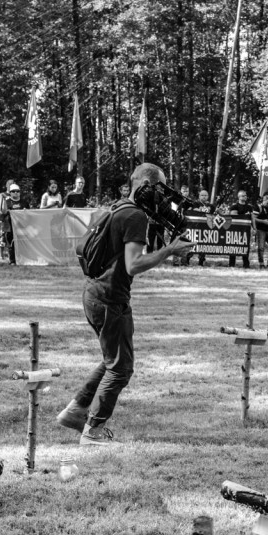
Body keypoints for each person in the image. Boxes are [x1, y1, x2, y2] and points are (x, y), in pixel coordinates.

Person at [56, 163, 194, 445]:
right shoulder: (135, 216)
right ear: (145, 184)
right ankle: (92, 430)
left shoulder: (118, 207)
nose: (164, 199)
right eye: (160, 190)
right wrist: (169, 250)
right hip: (109, 299)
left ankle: (74, 412)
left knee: (113, 360)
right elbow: (133, 265)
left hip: (96, 294)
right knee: (120, 369)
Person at [227, 190, 254, 269]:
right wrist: (244, 216)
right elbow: (234, 217)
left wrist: (254, 228)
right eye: (243, 195)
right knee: (233, 246)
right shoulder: (234, 206)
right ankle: (232, 264)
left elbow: (252, 218)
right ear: (239, 197)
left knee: (245, 246)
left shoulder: (249, 207)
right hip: (234, 230)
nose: (245, 197)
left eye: (245, 195)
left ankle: (246, 264)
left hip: (246, 231)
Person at [1, 182, 24, 265]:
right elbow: (3, 213)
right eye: (13, 191)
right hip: (9, 226)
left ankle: (23, 259)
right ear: (10, 193)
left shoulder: (24, 202)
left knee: (22, 243)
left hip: (22, 226)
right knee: (11, 244)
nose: (16, 193)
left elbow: (29, 213)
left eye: (17, 191)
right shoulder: (6, 202)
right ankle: (12, 261)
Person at [254, 193, 268, 268]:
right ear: (263, 200)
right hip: (261, 230)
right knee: (261, 247)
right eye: (267, 201)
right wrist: (263, 221)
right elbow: (254, 218)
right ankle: (261, 264)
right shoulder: (258, 207)